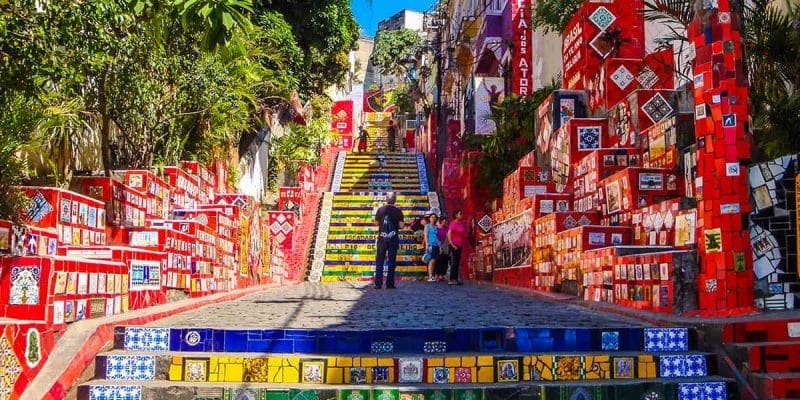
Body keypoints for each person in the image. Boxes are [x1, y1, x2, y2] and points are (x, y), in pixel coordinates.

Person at [374, 192, 404, 289]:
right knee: (392, 261)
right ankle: (390, 283)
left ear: (386, 199)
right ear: (395, 200)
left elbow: (376, 223)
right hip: (393, 238)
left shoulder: (380, 210)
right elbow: (401, 226)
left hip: (382, 238)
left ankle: (378, 284)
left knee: (380, 261)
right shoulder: (398, 211)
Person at [447, 210, 466, 285]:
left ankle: (455, 278)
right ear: (456, 215)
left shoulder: (460, 224)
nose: (461, 215)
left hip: (460, 245)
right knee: (454, 262)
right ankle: (452, 279)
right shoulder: (453, 224)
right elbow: (449, 234)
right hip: (454, 245)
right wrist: (452, 244)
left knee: (457, 262)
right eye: (460, 214)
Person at [423, 213, 440, 282]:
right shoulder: (427, 226)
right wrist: (427, 244)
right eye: (432, 217)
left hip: (436, 245)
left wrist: (439, 245)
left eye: (434, 217)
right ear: (429, 218)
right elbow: (426, 235)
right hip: (430, 245)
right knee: (432, 260)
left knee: (434, 260)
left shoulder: (436, 227)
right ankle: (430, 276)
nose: (433, 218)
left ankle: (432, 275)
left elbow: (438, 237)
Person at [434, 216, 450, 282]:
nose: (445, 222)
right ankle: (437, 275)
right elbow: (436, 237)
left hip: (446, 245)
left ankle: (442, 275)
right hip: (439, 244)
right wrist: (439, 246)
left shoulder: (447, 228)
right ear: (441, 221)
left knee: (445, 260)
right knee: (439, 261)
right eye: (444, 221)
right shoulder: (436, 228)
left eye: (446, 221)